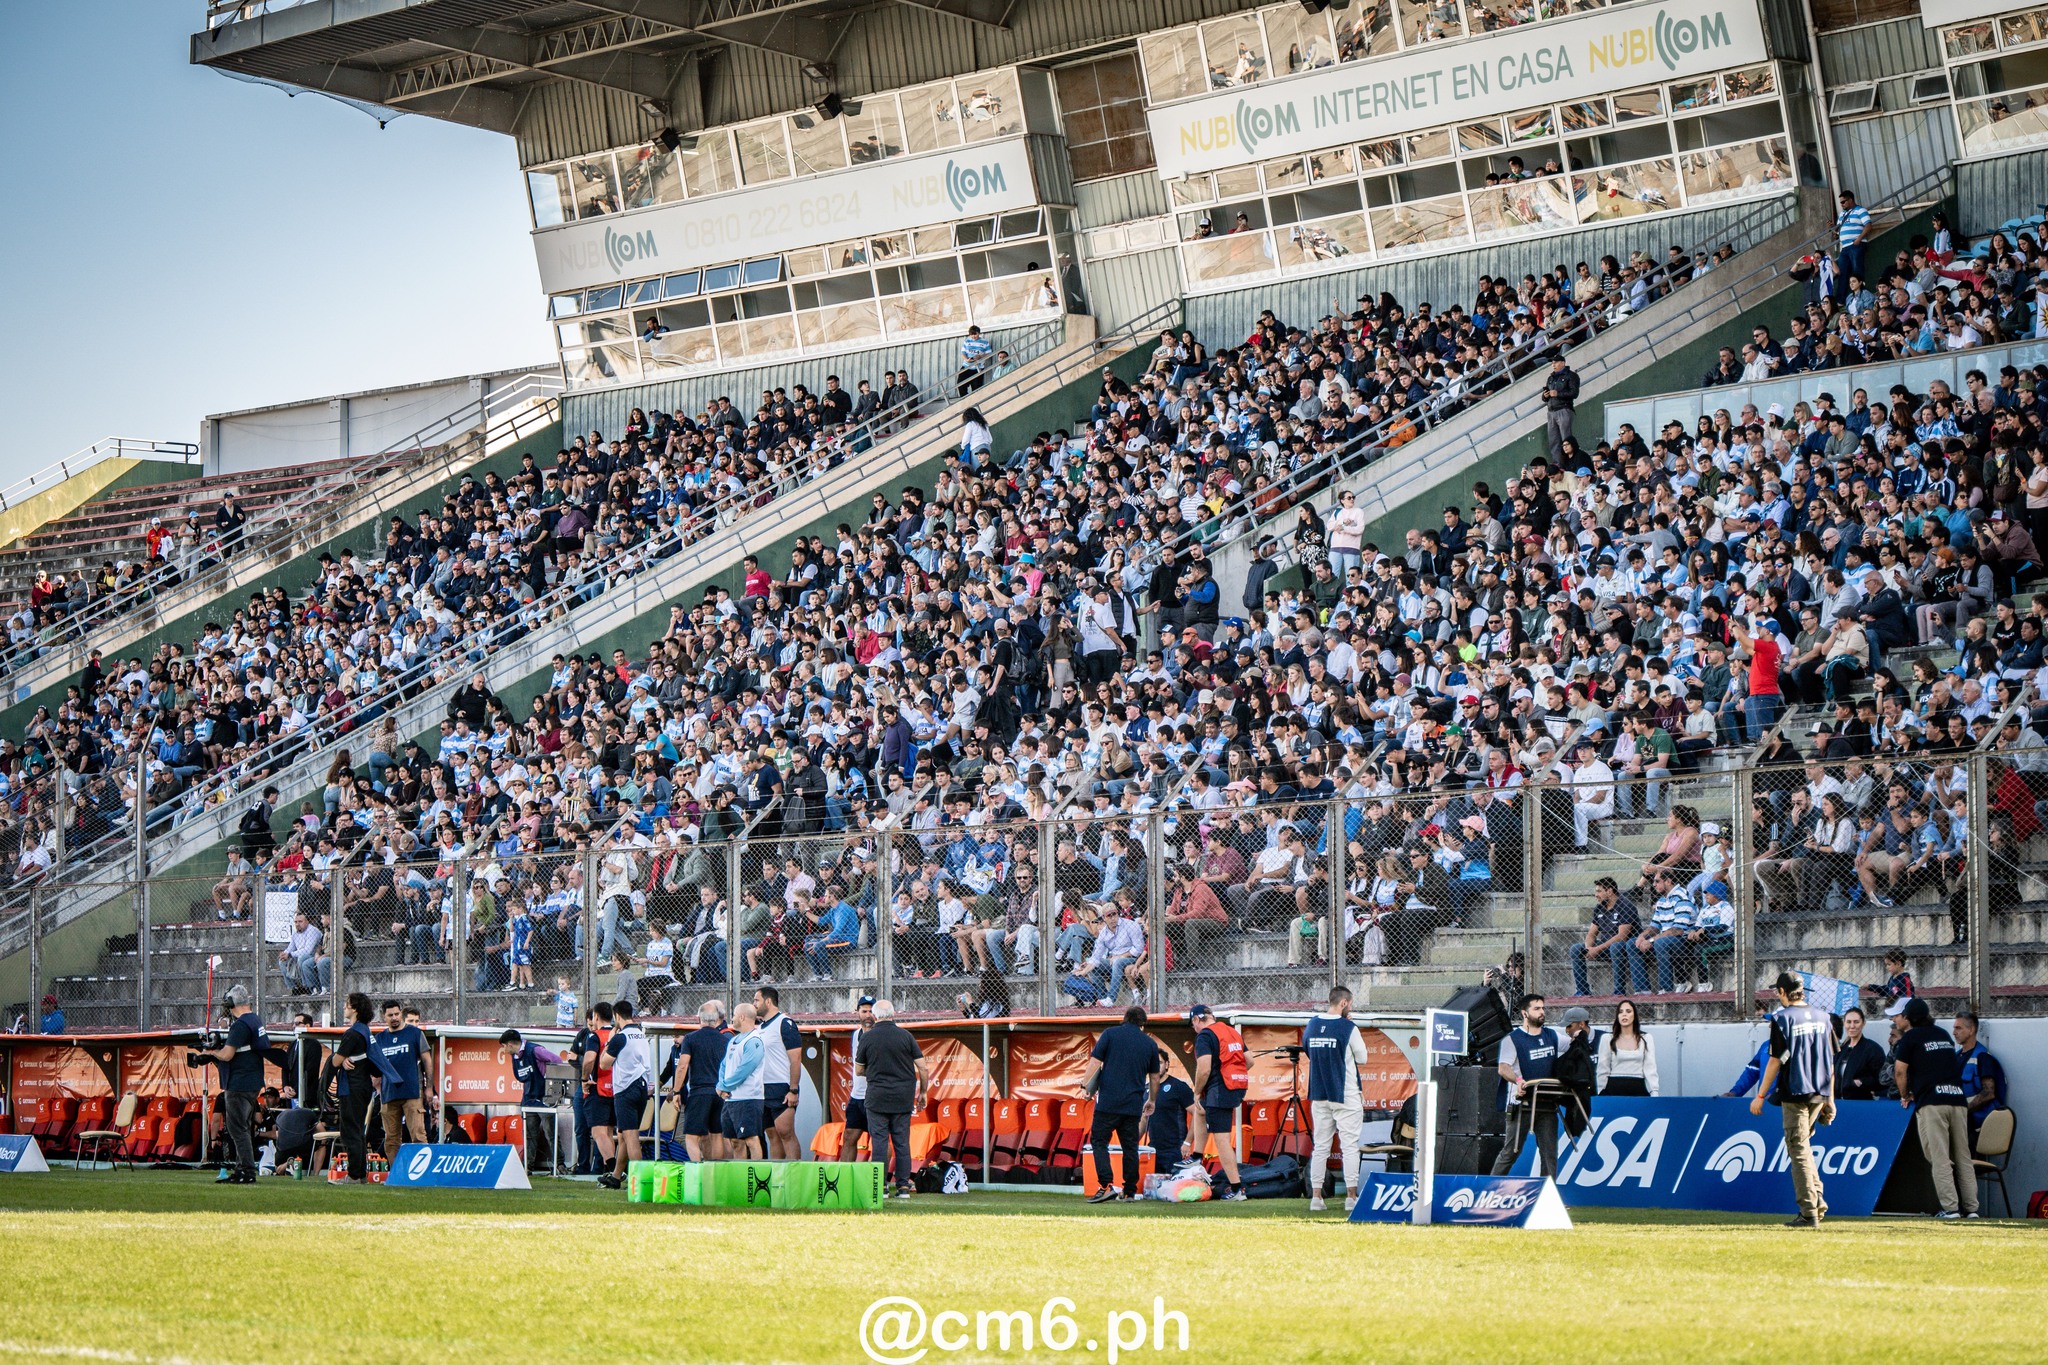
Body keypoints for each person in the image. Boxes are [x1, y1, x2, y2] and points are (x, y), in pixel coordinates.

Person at [1749, 972, 1836, 1227]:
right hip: (1819, 1090)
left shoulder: (1782, 1019)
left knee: (1797, 1150)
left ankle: (1809, 1212)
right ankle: (1817, 1203)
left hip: (1795, 1091)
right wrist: (1830, 1100)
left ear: (1782, 992)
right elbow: (1831, 1061)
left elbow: (1775, 1060)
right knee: (1805, 1148)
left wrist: (1761, 1096)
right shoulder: (1824, 1017)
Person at [1892, 998, 1977, 1219]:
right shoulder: (1943, 1035)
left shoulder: (1910, 1038)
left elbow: (1900, 1071)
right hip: (1958, 1100)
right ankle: (1972, 1210)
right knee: (1963, 1157)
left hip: (1933, 1102)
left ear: (1908, 1019)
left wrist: (1905, 1095)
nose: (1897, 1020)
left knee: (1939, 1157)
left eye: (1900, 1016)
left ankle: (1950, 1209)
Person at [198, 985, 288, 1184]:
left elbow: (228, 1054)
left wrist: (211, 1053)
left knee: (237, 1129)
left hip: (239, 1083)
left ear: (231, 1003)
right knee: (244, 1128)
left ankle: (246, 1171)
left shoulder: (240, 1025)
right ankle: (242, 1170)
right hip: (252, 1081)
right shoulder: (255, 1019)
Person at [1079, 1004, 1162, 1203]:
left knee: (1099, 1142)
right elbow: (1155, 1077)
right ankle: (1130, 1191)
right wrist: (1151, 1100)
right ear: (1143, 1024)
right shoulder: (1149, 1044)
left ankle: (1106, 1185)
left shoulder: (1110, 1034)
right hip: (1133, 1105)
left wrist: (1085, 1085)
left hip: (1108, 1102)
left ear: (1124, 1019)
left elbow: (1095, 1062)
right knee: (1130, 1148)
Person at [1302, 986, 1370, 1212]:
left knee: (1320, 1147)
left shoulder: (1311, 1025)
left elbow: (1308, 1051)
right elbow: (1362, 1058)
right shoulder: (1348, 1027)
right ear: (1343, 1004)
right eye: (1350, 1005)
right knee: (1349, 1146)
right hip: (1345, 1093)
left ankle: (1316, 1198)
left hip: (1319, 1093)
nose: (1351, 1008)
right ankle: (1351, 1197)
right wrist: (1350, 1027)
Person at [856, 999, 930, 1198]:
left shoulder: (867, 1038)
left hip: (877, 1096)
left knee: (879, 1141)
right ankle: (904, 1187)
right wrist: (923, 1092)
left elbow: (858, 1069)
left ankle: (880, 1186)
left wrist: (875, 1070)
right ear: (893, 1014)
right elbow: (923, 1067)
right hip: (902, 1096)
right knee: (902, 1142)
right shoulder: (906, 1036)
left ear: (875, 1016)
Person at [1492, 994, 1562, 1177]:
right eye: (1537, 1009)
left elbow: (1573, 1046)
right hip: (1521, 1104)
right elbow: (1503, 1067)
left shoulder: (1552, 1035)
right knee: (1510, 1152)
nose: (1542, 1012)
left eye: (1543, 1008)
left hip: (1547, 1104)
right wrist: (1518, 1081)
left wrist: (1580, 1035)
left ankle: (1547, 1199)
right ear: (1524, 1013)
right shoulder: (1512, 1039)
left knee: (1549, 1155)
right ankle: (1488, 1191)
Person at [1186, 1004, 1249, 1200]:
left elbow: (1203, 1069)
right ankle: (1197, 1155)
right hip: (1235, 1087)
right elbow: (1250, 1061)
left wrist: (1197, 1091)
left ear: (1196, 1020)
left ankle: (1237, 1188)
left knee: (1222, 1141)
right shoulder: (1230, 1031)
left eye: (1192, 1024)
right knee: (1200, 1110)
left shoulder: (1205, 1035)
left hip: (1219, 1091)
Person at [597, 999, 653, 1189]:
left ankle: (639, 1181)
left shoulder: (621, 1037)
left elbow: (604, 1064)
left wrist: (610, 1041)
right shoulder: (641, 1034)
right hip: (642, 1086)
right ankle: (616, 1176)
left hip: (625, 1089)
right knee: (623, 1134)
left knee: (630, 1136)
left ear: (617, 1016)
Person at [499, 1028, 567, 1174]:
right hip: (528, 1098)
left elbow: (557, 1060)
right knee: (529, 1134)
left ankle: (559, 1164)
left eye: (503, 1046)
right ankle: (527, 1167)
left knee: (551, 1133)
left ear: (510, 1044)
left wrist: (551, 1083)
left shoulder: (535, 1050)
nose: (503, 1050)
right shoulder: (516, 1056)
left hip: (544, 1098)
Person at [371, 999, 432, 1159]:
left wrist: (429, 1087)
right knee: (391, 1139)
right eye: (390, 1015)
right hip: (389, 1093)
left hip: (412, 1091)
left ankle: (421, 1174)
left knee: (418, 1135)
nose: (394, 1018)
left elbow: (427, 1060)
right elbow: (375, 1066)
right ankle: (395, 1173)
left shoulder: (415, 1033)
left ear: (401, 1014)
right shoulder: (379, 1039)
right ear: (384, 1017)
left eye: (397, 1014)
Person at [328, 992, 379, 1182]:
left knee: (350, 1131)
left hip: (352, 1087)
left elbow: (335, 1061)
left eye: (347, 1004)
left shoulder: (352, 1033)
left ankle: (354, 1175)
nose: (344, 1007)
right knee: (358, 1131)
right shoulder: (365, 1031)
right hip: (363, 1085)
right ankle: (360, 1174)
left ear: (355, 1008)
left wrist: (342, 1060)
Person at [673, 999, 732, 1162]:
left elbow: (683, 1066)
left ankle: (697, 1169)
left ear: (700, 1018)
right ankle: (715, 1171)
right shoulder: (724, 1040)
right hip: (719, 1092)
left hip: (699, 1092)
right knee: (716, 1135)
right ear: (716, 1019)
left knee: (691, 1136)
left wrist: (676, 1090)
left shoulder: (691, 1039)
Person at [752, 986, 804, 1160]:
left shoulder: (785, 1023)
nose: (754, 1004)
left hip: (781, 1086)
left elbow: (796, 1059)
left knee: (785, 1133)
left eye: (756, 1000)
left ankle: (795, 1178)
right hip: (763, 1088)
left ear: (768, 1001)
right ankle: (777, 1177)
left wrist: (793, 1089)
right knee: (772, 1134)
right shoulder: (760, 1027)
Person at [1570, 876, 1641, 996]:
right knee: (1576, 949)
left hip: (1624, 948)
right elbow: (1592, 933)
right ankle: (1583, 991)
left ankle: (1619, 991)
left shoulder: (1625, 905)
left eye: (1599, 891)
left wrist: (1597, 949)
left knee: (1616, 947)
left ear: (1609, 891)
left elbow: (1621, 937)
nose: (1596, 895)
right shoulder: (1599, 908)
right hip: (1604, 947)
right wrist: (1589, 948)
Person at [715, 1003, 768, 1160]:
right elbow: (724, 1065)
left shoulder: (754, 1041)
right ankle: (741, 1176)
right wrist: (720, 1085)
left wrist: (724, 1086)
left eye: (735, 1015)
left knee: (751, 1139)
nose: (732, 1019)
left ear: (743, 1017)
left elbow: (745, 1069)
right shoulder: (734, 1040)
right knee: (735, 1141)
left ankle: (757, 1177)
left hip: (749, 1099)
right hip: (731, 1099)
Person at [1952, 1011, 2008, 1145]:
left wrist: (1963, 1111)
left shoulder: (1982, 1057)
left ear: (1971, 1030)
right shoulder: (1956, 1056)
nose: (1954, 1032)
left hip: (1976, 1124)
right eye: (1954, 1028)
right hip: (1958, 1121)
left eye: (1958, 1028)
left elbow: (1988, 1093)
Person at [581, 1000, 616, 1174]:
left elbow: (589, 1059)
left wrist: (584, 1078)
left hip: (598, 1086)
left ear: (596, 1016)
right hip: (616, 1088)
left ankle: (613, 1168)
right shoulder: (618, 1035)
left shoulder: (594, 1036)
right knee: (608, 1132)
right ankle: (611, 1172)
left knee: (598, 1132)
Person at [1596, 998, 1658, 1096]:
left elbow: (1650, 1067)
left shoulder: (1646, 1038)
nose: (1624, 1014)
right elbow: (1603, 1068)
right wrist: (1601, 1091)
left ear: (1634, 1015)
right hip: (1614, 1087)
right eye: (1620, 1012)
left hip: (1638, 1086)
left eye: (1628, 1011)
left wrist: (1654, 1091)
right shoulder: (1607, 1038)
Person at [840, 995, 876, 1162]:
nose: (868, 1015)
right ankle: (846, 1175)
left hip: (875, 1095)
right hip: (857, 1095)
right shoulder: (856, 1035)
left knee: (879, 1139)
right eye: (864, 1011)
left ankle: (879, 1180)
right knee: (849, 1136)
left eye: (871, 1011)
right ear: (857, 1013)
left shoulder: (880, 1034)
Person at [1833, 1006, 1887, 1102]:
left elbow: (1881, 1079)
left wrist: (1860, 1082)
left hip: (1860, 1103)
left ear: (1863, 1023)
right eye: (1849, 1022)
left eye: (1856, 1022)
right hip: (1839, 1103)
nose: (1852, 1026)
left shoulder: (1873, 1049)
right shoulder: (1841, 1050)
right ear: (1844, 1023)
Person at [1541, 351, 1579, 461]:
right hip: (1551, 411)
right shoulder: (1551, 378)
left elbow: (1574, 393)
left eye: (1556, 362)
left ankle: (1570, 461)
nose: (1553, 365)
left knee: (1566, 440)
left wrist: (1558, 394)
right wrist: (1545, 396)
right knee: (1554, 441)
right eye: (1552, 363)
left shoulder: (1571, 376)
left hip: (1564, 409)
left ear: (1563, 363)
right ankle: (1558, 464)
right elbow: (1545, 398)